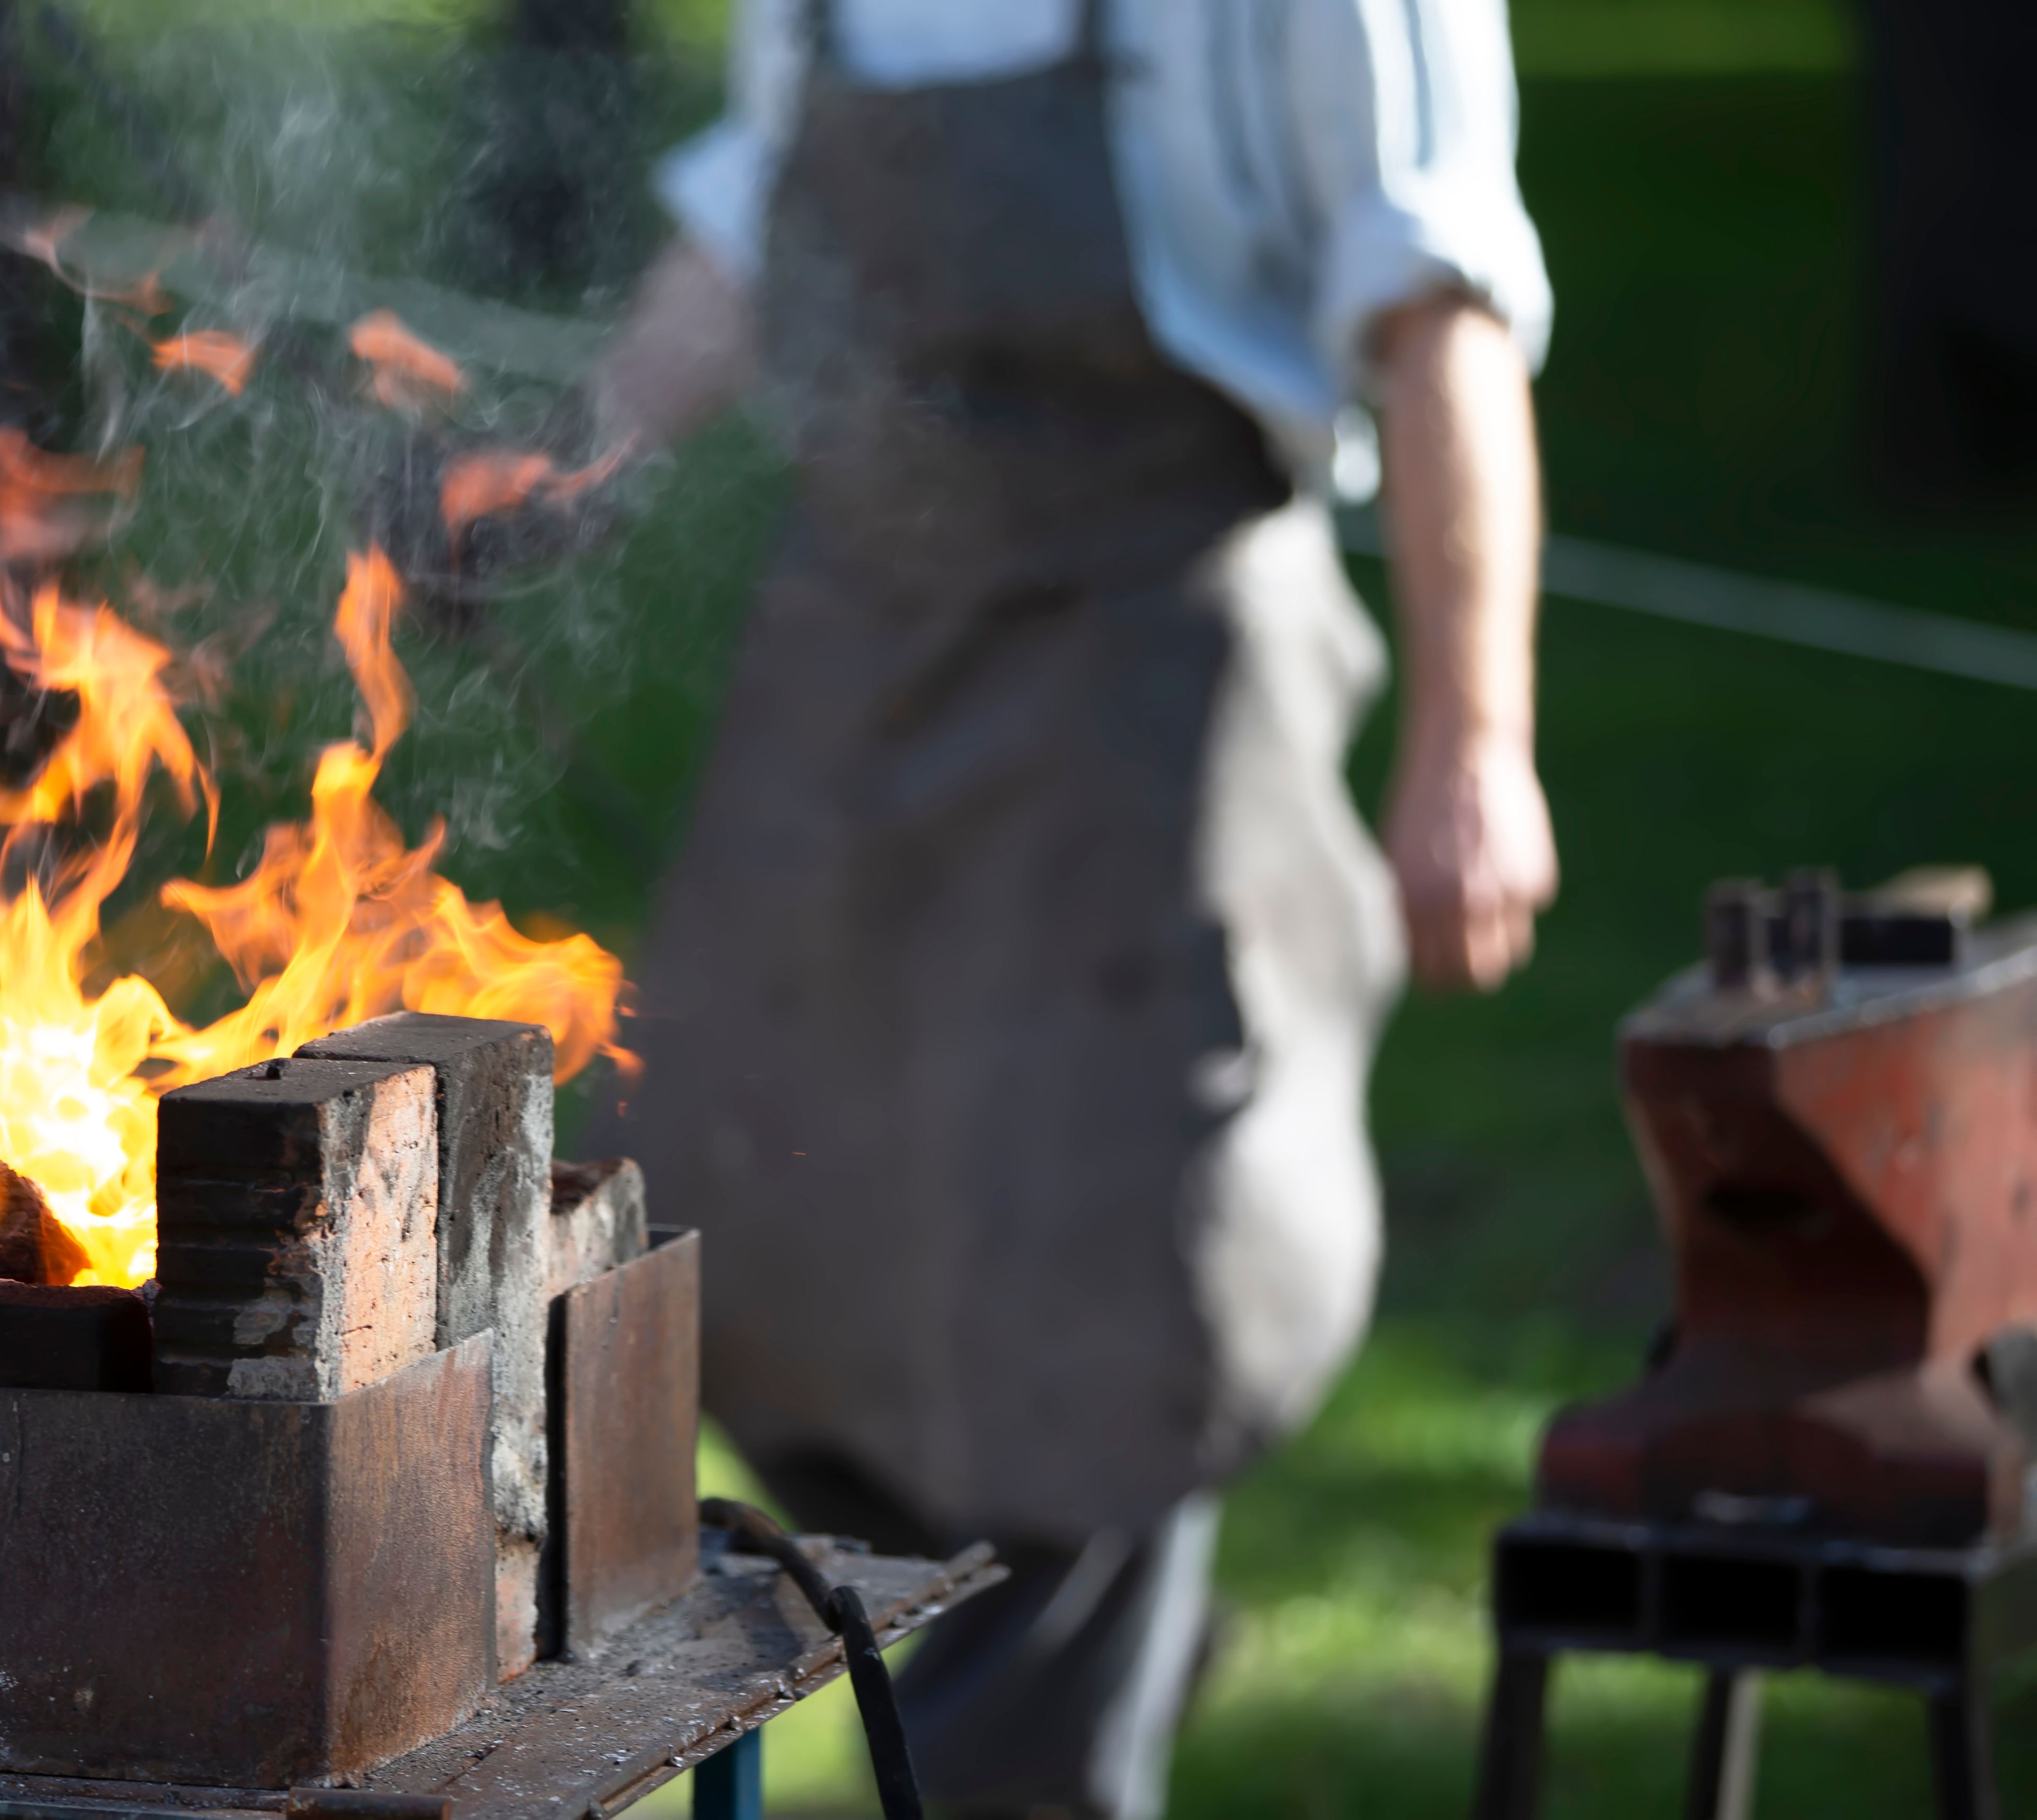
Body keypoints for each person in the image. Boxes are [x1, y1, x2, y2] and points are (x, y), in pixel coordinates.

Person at [587, 0, 1557, 1811]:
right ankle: (1068, 1630)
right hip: (860, 640)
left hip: (1147, 651)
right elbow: (755, 209)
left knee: (1112, 1278)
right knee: (733, 1225)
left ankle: (1052, 1708)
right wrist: (578, 458)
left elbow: (1443, 305)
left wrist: (1476, 742)